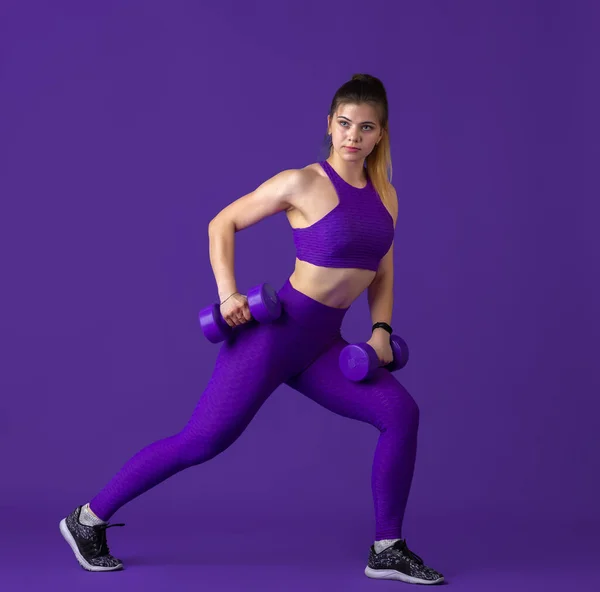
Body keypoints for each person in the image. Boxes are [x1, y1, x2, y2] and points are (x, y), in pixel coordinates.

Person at [59, 73, 444, 585]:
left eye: (366, 127)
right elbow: (223, 223)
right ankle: (87, 520)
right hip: (275, 333)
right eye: (345, 123)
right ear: (329, 125)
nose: (353, 136)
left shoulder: (387, 196)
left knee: (400, 414)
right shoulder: (302, 182)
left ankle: (387, 547)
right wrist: (228, 294)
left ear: (380, 135)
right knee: (202, 442)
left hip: (323, 345)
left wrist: (379, 329)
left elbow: (384, 270)